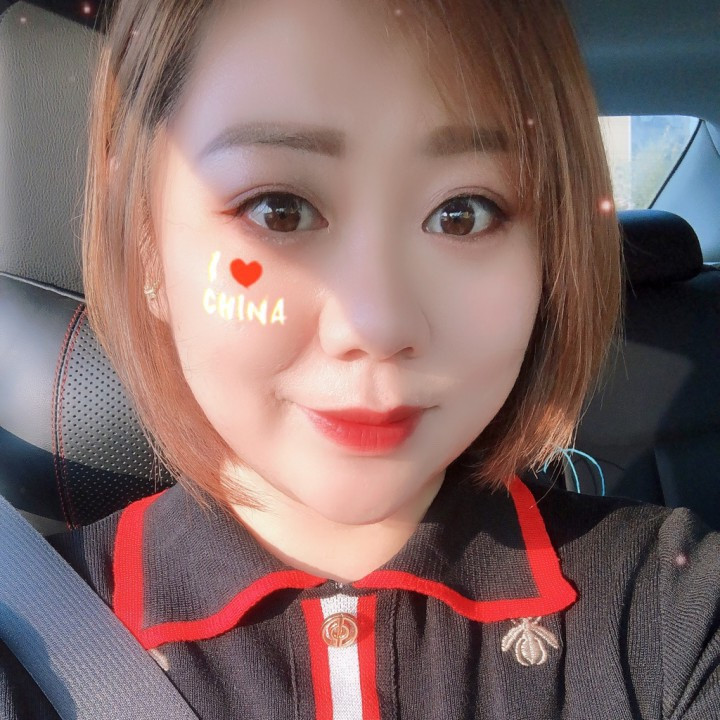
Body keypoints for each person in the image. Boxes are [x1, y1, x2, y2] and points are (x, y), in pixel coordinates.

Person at [1, 0, 719, 717]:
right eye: (278, 209)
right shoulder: (28, 640)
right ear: (145, 241)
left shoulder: (669, 612)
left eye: (463, 213)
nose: (375, 324)